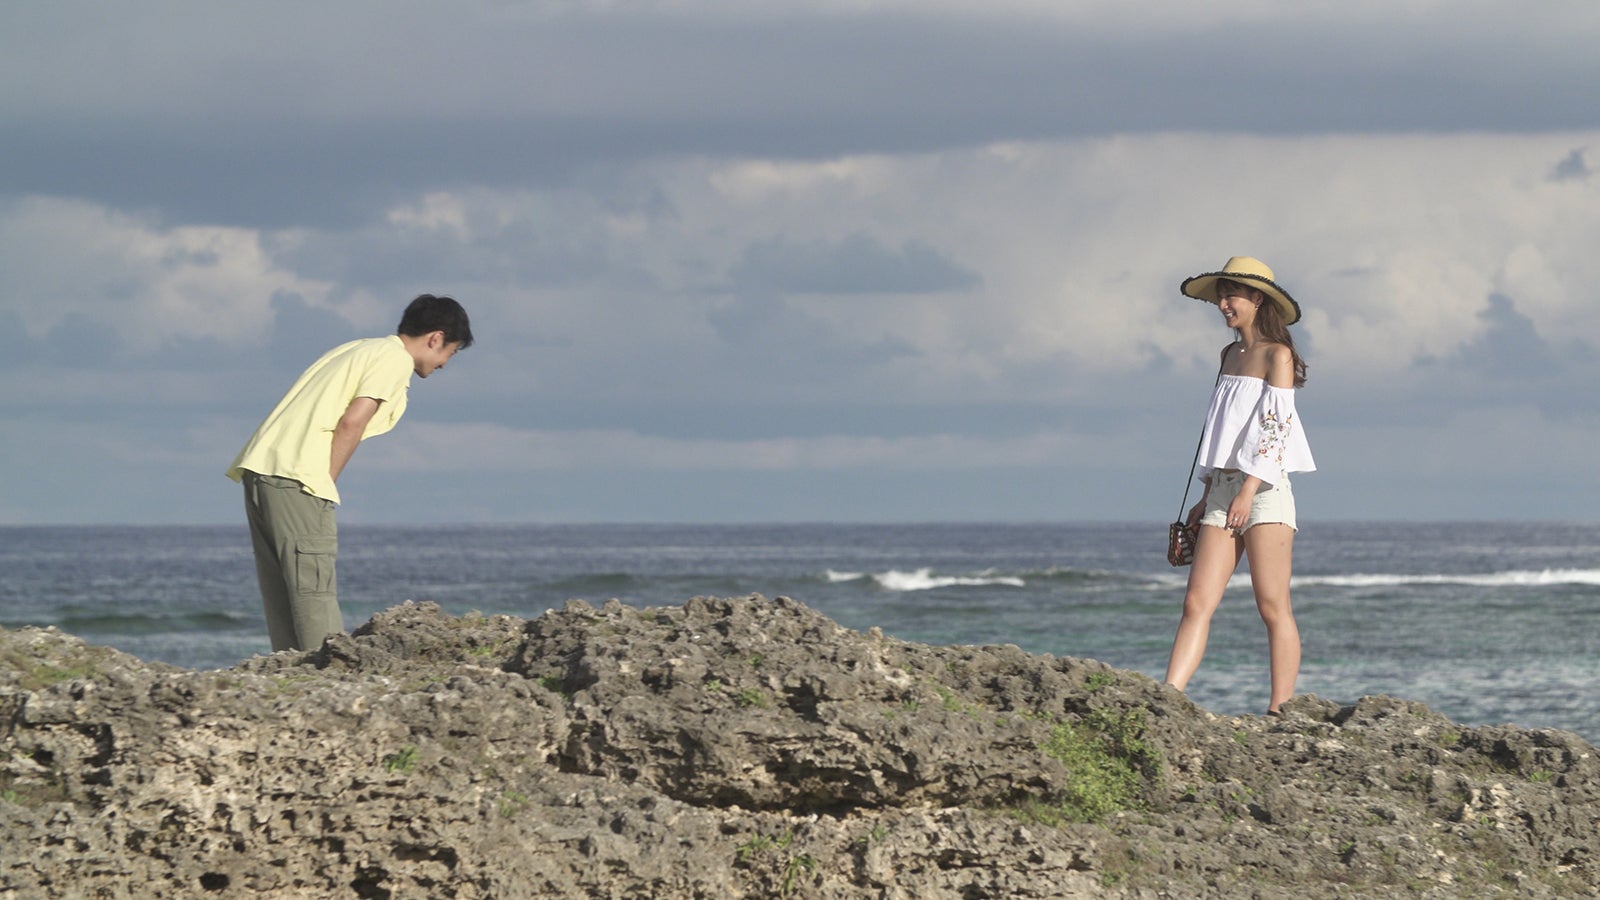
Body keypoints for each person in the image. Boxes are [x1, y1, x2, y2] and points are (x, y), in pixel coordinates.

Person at [225, 294, 473, 651]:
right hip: (298, 475)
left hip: (262, 468)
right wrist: (323, 482)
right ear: (435, 338)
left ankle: (290, 679)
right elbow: (352, 422)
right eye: (451, 352)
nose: (445, 364)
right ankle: (326, 681)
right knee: (314, 591)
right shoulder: (394, 360)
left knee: (281, 592)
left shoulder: (358, 348)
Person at [1163, 257, 1314, 717]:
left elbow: (1276, 429)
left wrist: (1249, 491)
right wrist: (1208, 494)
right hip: (1224, 489)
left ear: (1257, 300)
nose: (1224, 304)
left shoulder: (1278, 355)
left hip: (1264, 489)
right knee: (1196, 601)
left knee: (1271, 605)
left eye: (1232, 295)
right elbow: (1225, 429)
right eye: (1221, 295)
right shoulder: (1229, 356)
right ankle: (1167, 698)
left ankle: (1279, 711)